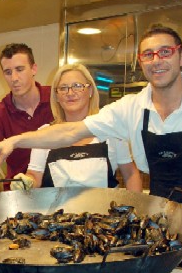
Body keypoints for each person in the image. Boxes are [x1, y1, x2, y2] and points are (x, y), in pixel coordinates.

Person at [0, 24, 182, 266]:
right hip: (160, 229)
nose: (156, 60)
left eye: (166, 52)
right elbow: (70, 131)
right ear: (141, 62)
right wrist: (15, 141)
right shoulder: (131, 108)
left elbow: (131, 175)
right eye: (148, 54)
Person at [12, 63, 142, 192]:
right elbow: (35, 176)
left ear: (90, 91)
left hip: (105, 212)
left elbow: (131, 174)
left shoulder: (110, 130)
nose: (70, 93)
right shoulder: (44, 133)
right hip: (58, 212)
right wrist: (26, 182)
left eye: (77, 86)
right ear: (56, 96)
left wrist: (136, 208)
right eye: (63, 88)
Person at [0, 43, 53, 195]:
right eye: (8, 72)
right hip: (18, 197)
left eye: (20, 69)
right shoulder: (0, 113)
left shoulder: (56, 100)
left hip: (58, 193)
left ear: (34, 69)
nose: (14, 78)